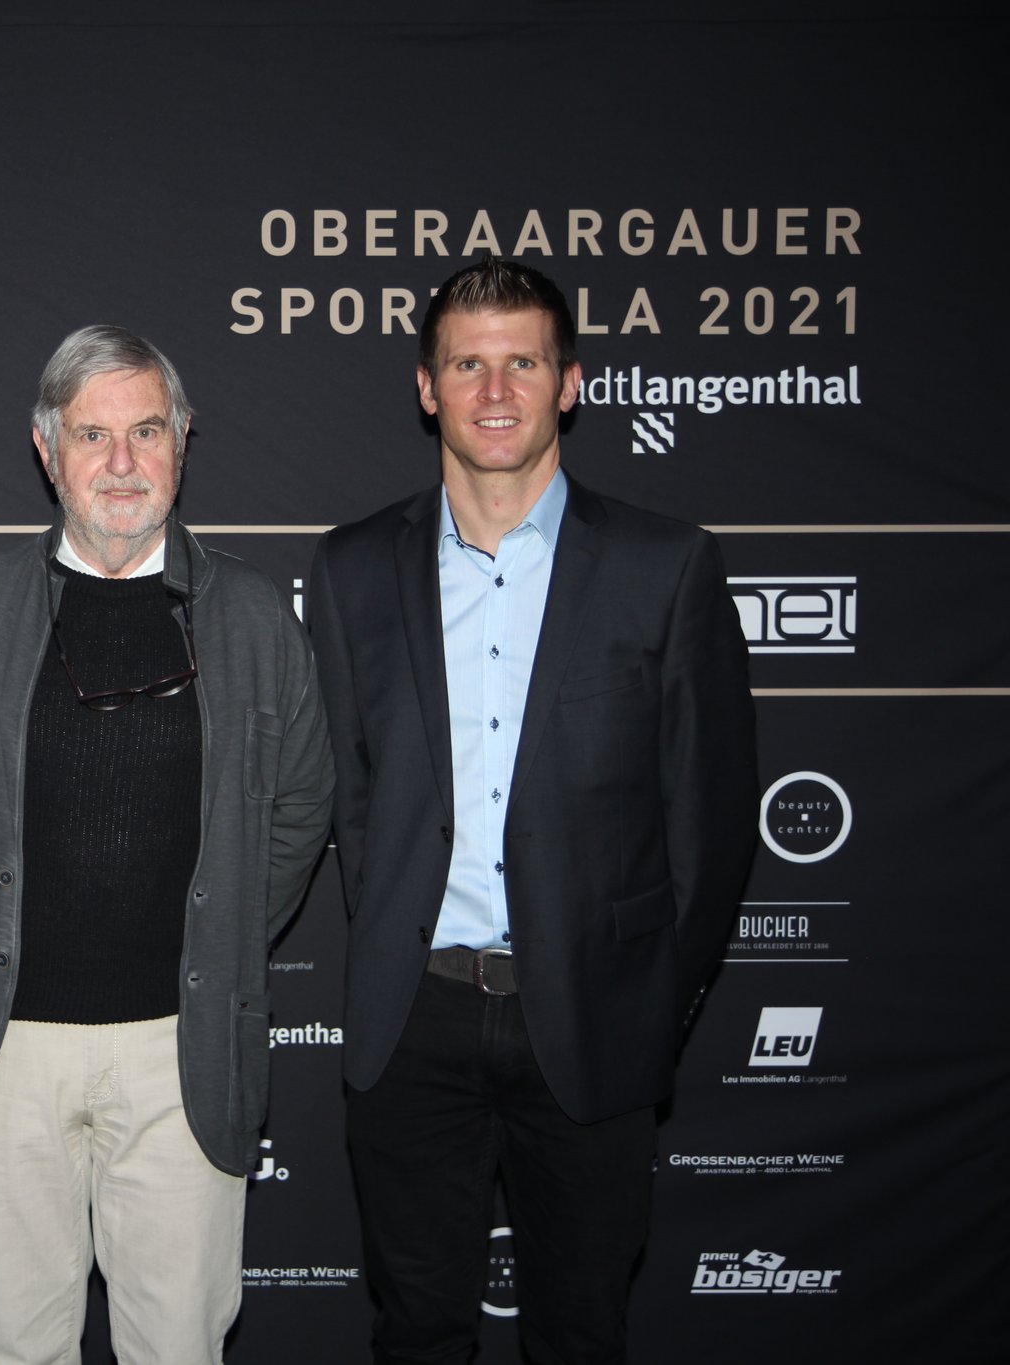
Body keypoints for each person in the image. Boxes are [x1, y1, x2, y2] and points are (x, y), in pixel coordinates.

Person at [307, 258, 758, 1364]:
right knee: (416, 1334)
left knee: (581, 1334)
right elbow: (348, 799)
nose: (495, 390)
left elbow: (707, 825)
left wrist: (647, 1003)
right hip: (413, 1022)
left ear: (570, 382)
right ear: (427, 388)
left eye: (522, 362)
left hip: (595, 1020)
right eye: (468, 364)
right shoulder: (353, 568)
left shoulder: (665, 564)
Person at [0, 325, 333, 1364]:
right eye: (91, 434)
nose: (122, 462)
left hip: (182, 1050)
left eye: (146, 430)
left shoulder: (253, 618)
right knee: (18, 1345)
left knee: (178, 1346)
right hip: (3, 1052)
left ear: (182, 440)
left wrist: (221, 931)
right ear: (46, 448)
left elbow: (298, 808)